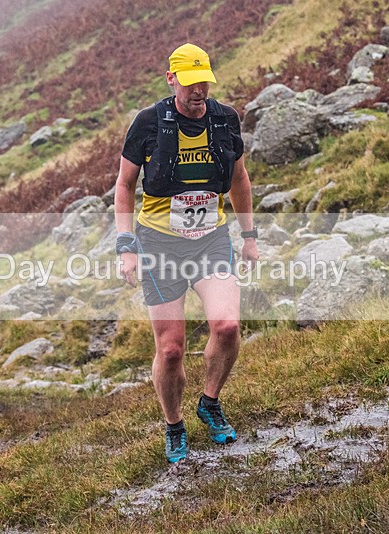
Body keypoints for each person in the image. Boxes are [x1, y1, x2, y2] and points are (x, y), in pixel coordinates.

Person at [114, 43, 259, 463]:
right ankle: (174, 425)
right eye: (191, 83)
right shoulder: (148, 123)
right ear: (171, 78)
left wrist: (248, 235)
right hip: (159, 245)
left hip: (211, 239)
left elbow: (239, 179)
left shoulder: (225, 119)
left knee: (228, 325)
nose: (199, 91)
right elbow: (124, 186)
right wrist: (126, 247)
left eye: (205, 83)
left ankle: (209, 403)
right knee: (172, 348)